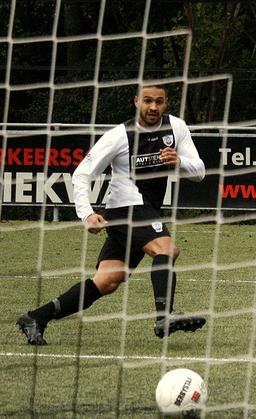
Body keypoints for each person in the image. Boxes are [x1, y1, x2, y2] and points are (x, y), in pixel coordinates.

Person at [17, 84, 206, 345]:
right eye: (148, 100)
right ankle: (165, 316)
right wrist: (86, 214)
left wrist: (180, 162)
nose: (153, 107)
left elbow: (200, 172)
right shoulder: (120, 135)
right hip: (127, 208)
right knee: (167, 250)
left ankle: (36, 317)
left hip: (144, 210)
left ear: (166, 103)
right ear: (137, 100)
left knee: (107, 281)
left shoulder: (176, 127)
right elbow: (82, 173)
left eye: (159, 101)